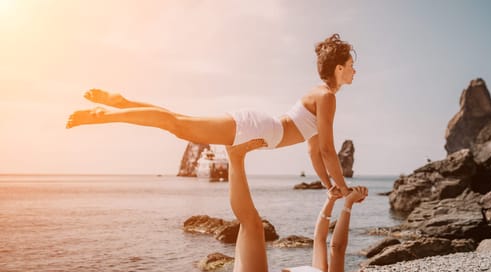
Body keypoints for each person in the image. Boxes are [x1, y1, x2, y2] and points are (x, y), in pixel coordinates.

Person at [66, 34, 356, 196]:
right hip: (257, 130)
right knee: (177, 125)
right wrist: (344, 189)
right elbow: (328, 150)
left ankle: (122, 102)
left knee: (177, 121)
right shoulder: (327, 97)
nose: (355, 70)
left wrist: (330, 186)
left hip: (260, 127)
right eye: (351, 64)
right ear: (338, 69)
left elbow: (314, 152)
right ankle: (105, 114)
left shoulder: (319, 95)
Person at [226, 139, 388, 272]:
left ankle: (235, 157)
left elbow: (338, 248)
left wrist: (348, 204)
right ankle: (234, 156)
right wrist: (330, 200)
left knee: (253, 224)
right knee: (247, 223)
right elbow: (319, 237)